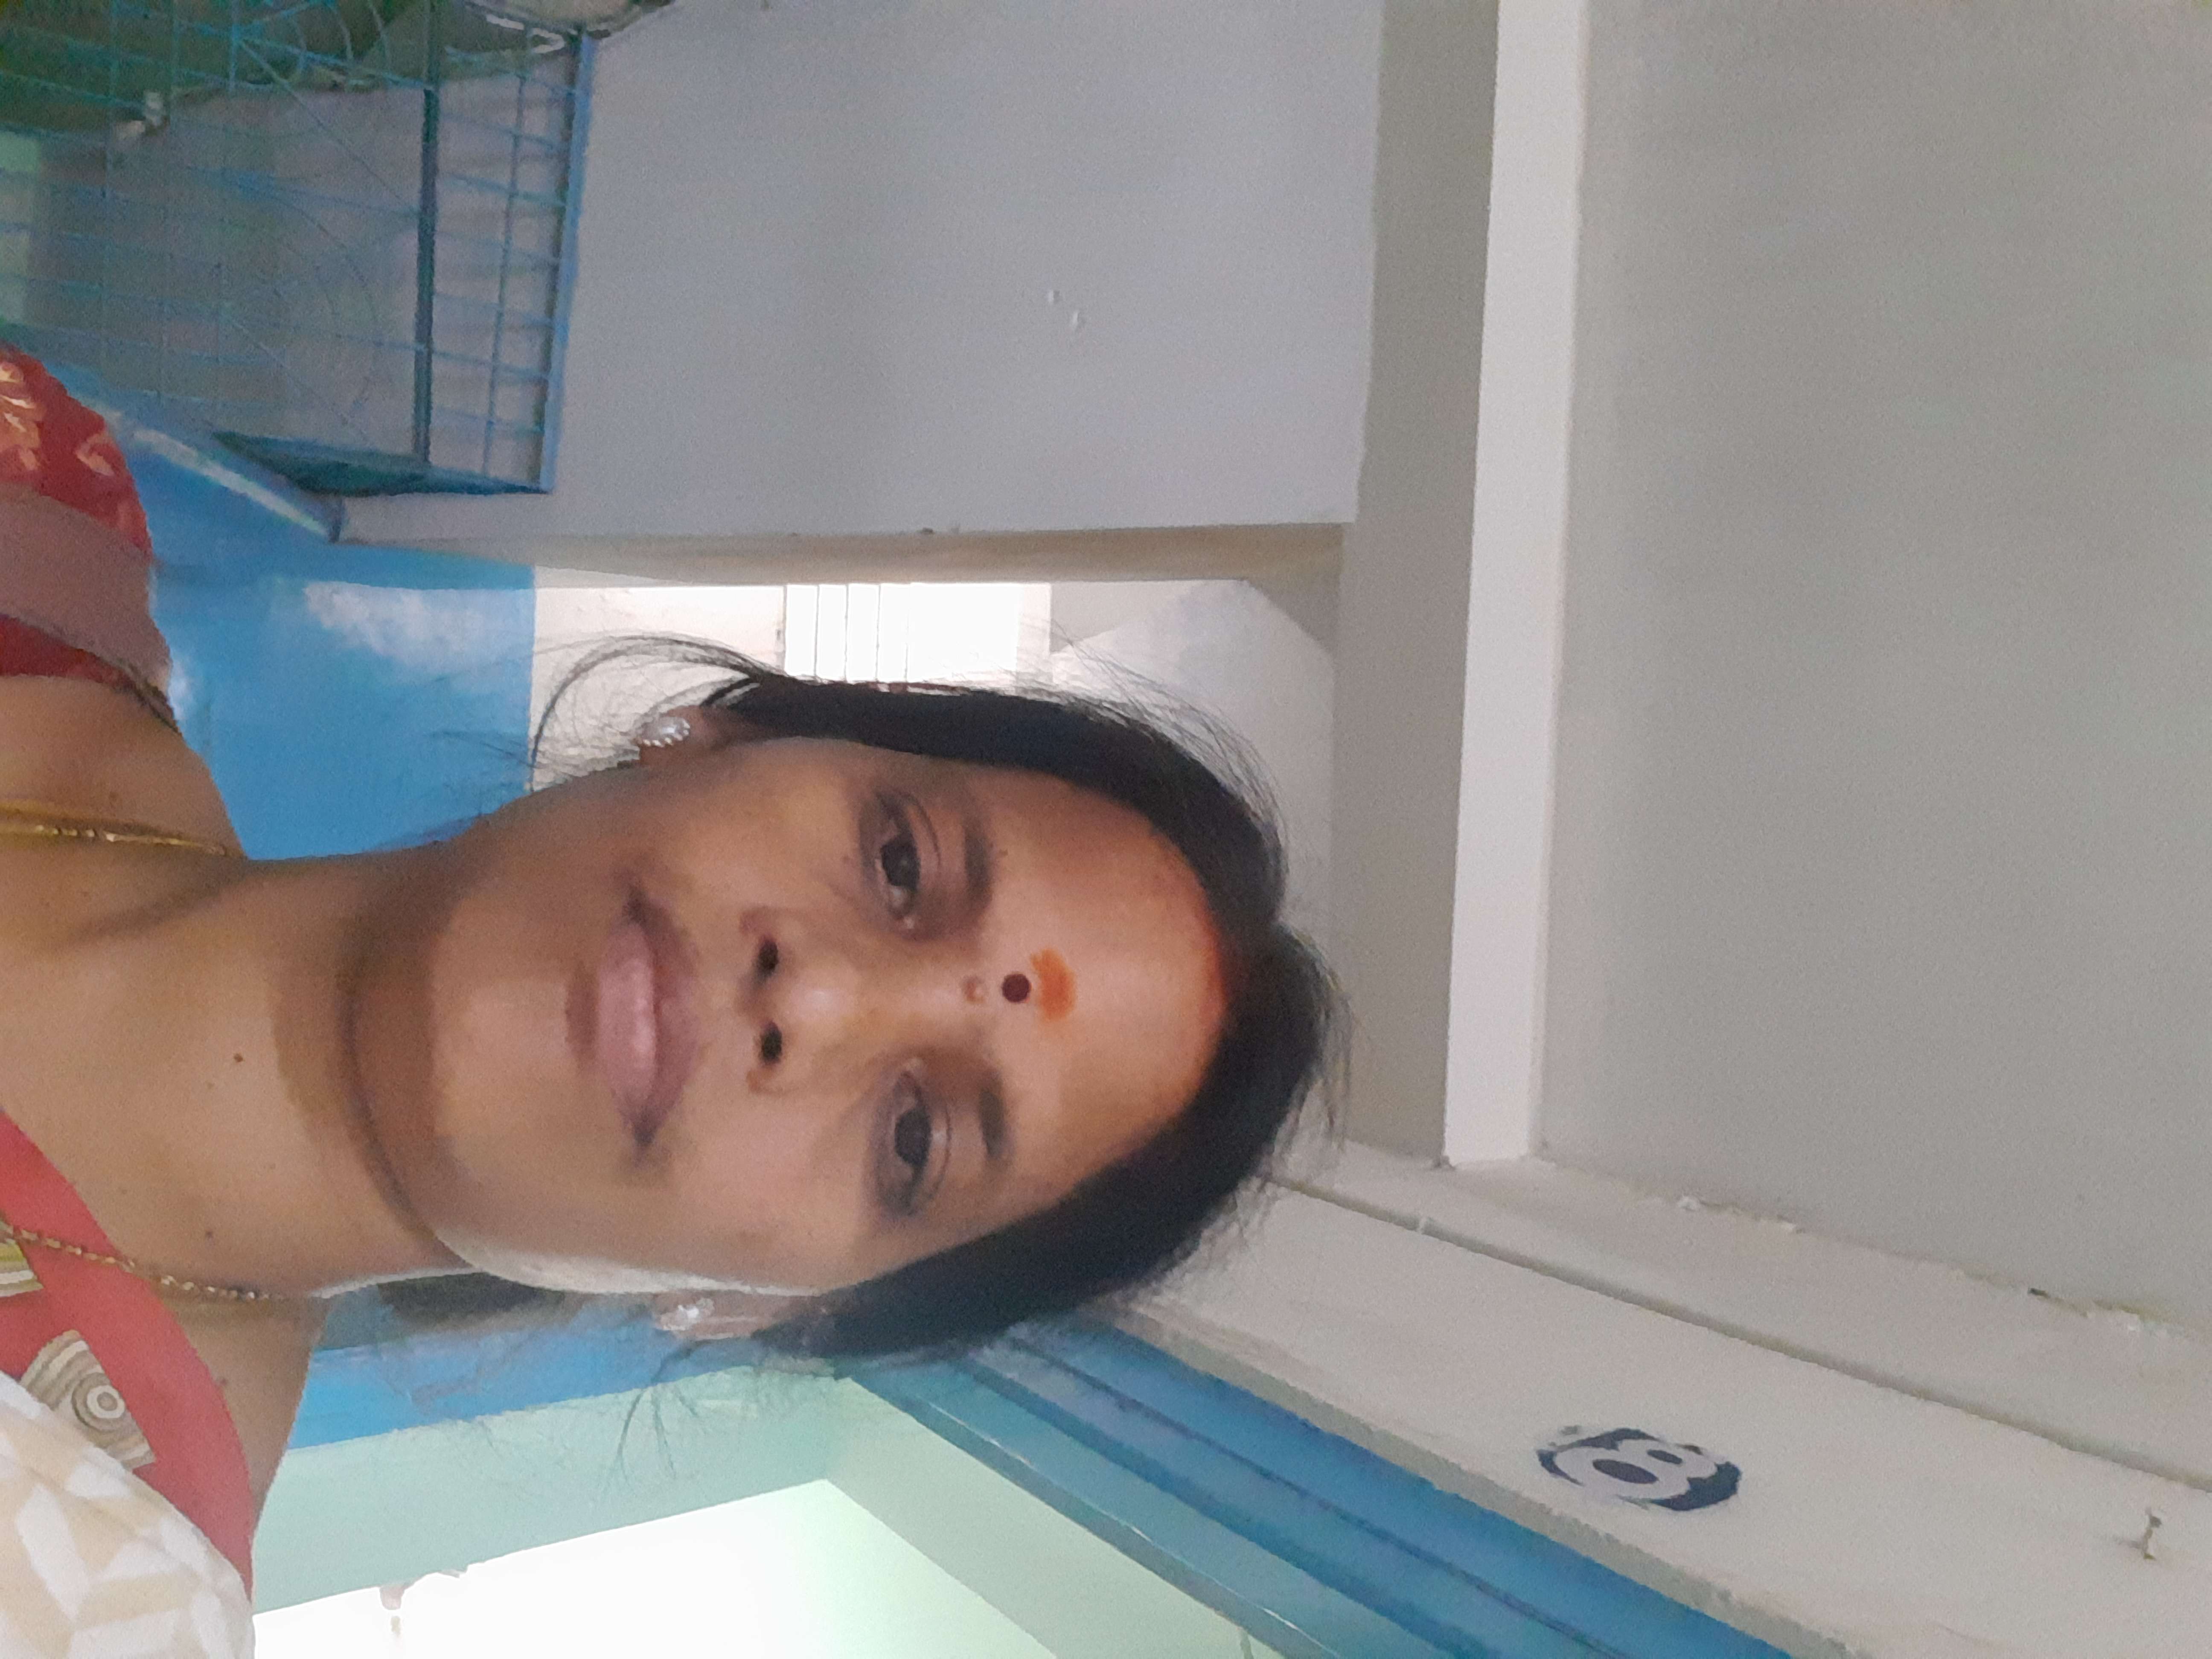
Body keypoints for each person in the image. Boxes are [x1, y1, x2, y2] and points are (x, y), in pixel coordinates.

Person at [0, 346, 1335, 1654]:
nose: (818, 997)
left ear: (760, 1309)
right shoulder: (30, 490)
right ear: (717, 735)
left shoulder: (97, 1601)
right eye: (900, 863)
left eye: (916, 1137)